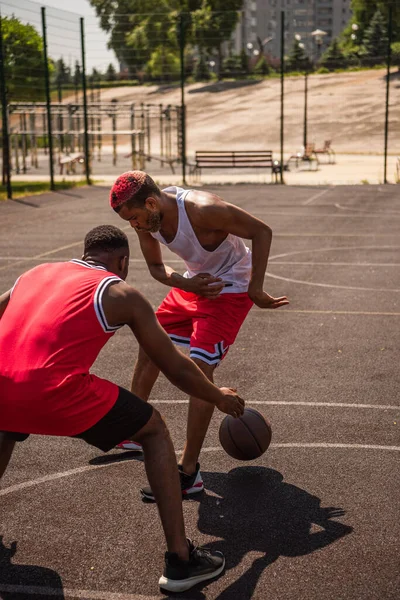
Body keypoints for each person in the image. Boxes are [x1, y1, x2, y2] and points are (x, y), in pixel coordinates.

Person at [0, 225, 246, 593]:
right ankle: (181, 560)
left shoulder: (33, 274)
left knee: (7, 422)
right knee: (153, 429)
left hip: (3, 383)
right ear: (123, 261)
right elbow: (174, 366)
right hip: (54, 390)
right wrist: (217, 396)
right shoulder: (119, 292)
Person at [110, 171, 289, 500]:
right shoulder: (149, 219)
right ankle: (133, 429)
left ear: (151, 202)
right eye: (129, 221)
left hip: (230, 290)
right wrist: (185, 283)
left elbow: (261, 231)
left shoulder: (204, 209)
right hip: (196, 285)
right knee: (150, 346)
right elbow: (154, 266)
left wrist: (256, 288)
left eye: (134, 218)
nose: (134, 226)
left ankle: (188, 473)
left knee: (200, 369)